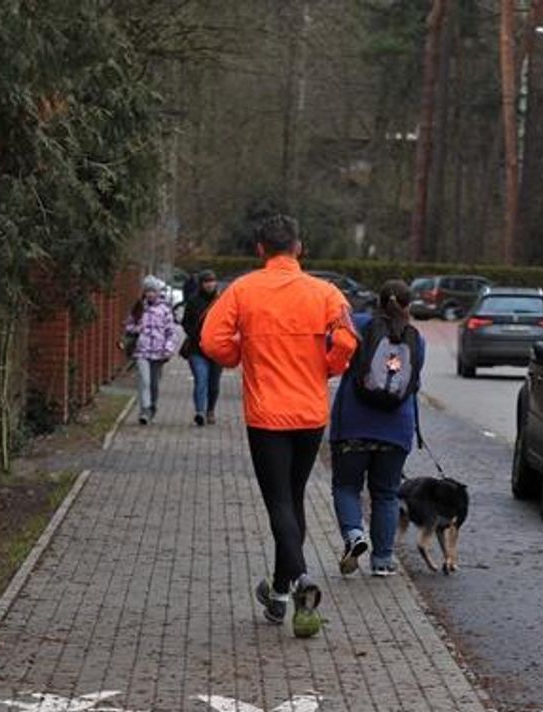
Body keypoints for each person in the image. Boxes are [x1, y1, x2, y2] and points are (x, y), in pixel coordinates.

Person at [200, 214, 357, 638]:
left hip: (267, 414)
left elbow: (211, 339)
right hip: (309, 413)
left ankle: (303, 579)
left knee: (279, 504)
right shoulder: (326, 293)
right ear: (299, 248)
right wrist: (325, 368)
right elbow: (347, 340)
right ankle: (280, 596)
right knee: (294, 498)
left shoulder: (243, 291)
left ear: (259, 250)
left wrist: (240, 355)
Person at [329, 280, 425, 577]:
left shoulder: (358, 325)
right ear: (408, 307)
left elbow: (330, 345)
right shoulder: (416, 339)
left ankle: (355, 535)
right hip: (396, 429)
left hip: (352, 426)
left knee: (346, 486)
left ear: (378, 302)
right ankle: (382, 561)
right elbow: (412, 381)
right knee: (386, 493)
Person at [125, 276, 177, 424]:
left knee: (154, 384)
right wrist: (137, 329)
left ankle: (152, 406)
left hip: (158, 353)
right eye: (148, 291)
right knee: (144, 381)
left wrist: (168, 348)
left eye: (153, 291)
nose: (150, 294)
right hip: (141, 351)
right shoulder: (139, 308)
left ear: (158, 292)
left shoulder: (165, 310)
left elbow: (170, 332)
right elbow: (128, 327)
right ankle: (144, 410)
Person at [181, 269, 223, 426]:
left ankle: (210, 409)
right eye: (206, 281)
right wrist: (195, 335)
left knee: (214, 384)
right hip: (197, 349)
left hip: (216, 350)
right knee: (201, 380)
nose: (210, 284)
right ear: (201, 284)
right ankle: (200, 412)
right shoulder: (193, 301)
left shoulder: (221, 301)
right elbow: (185, 322)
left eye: (212, 281)